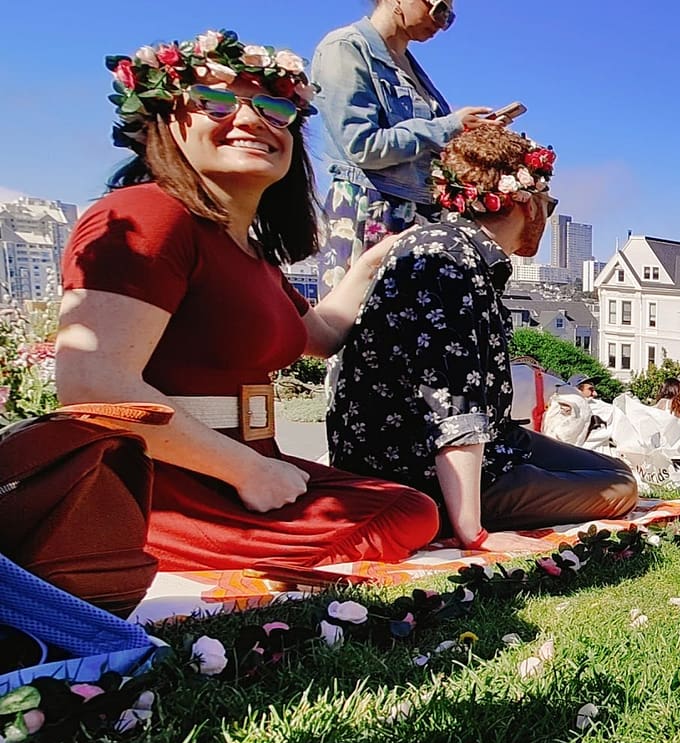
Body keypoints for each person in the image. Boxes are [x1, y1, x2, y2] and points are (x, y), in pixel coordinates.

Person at [56, 30, 441, 573]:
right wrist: (244, 469)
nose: (252, 119)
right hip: (163, 488)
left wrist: (375, 259)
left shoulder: (247, 250)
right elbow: (91, 385)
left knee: (411, 506)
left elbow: (323, 335)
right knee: (401, 515)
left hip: (248, 470)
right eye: (214, 101)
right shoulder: (148, 215)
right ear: (165, 119)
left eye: (276, 106)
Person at [328, 125, 637, 549]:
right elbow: (454, 406)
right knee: (618, 491)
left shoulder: (450, 247)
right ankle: (447, 512)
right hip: (412, 467)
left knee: (617, 473)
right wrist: (471, 531)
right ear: (528, 203)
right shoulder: (452, 263)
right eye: (550, 201)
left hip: (481, 440)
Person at [311, 0, 498, 289]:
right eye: (438, 8)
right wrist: (447, 126)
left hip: (415, 217)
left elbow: (427, 144)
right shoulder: (346, 47)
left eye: (449, 16)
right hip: (371, 210)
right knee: (358, 325)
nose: (441, 22)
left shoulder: (409, 65)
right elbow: (362, 145)